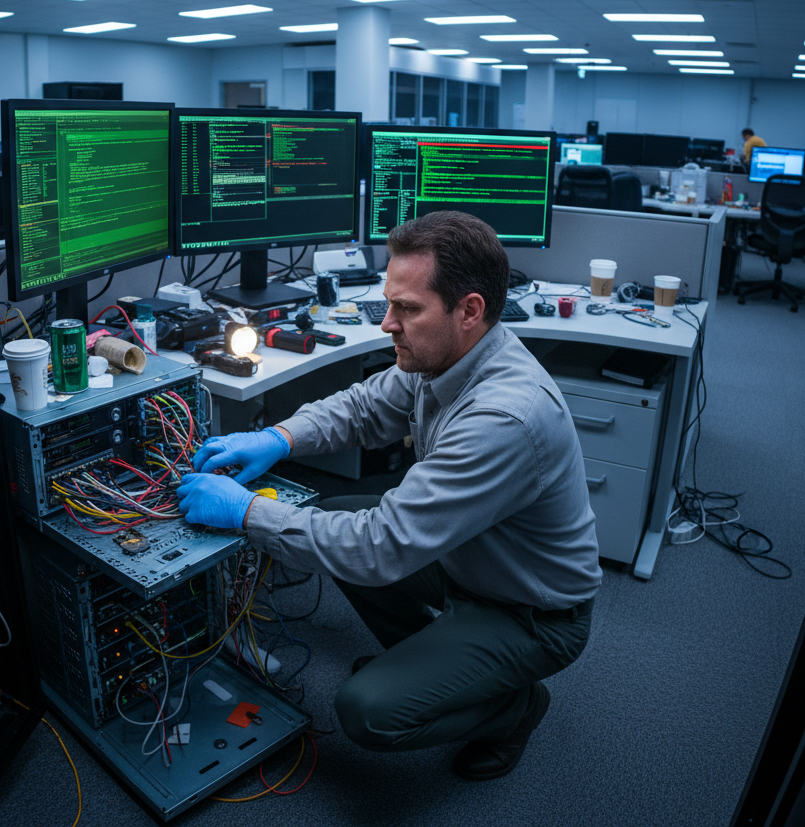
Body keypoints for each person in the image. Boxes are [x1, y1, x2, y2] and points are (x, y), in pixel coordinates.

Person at [176, 211, 601, 780]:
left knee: (367, 710)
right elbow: (364, 407)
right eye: (389, 303)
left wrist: (244, 511)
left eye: (407, 309)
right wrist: (276, 438)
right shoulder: (450, 353)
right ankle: (441, 669)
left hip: (532, 611)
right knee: (328, 518)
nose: (387, 324)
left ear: (469, 310)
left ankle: (514, 707)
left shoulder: (505, 417)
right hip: (468, 560)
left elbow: (378, 548)